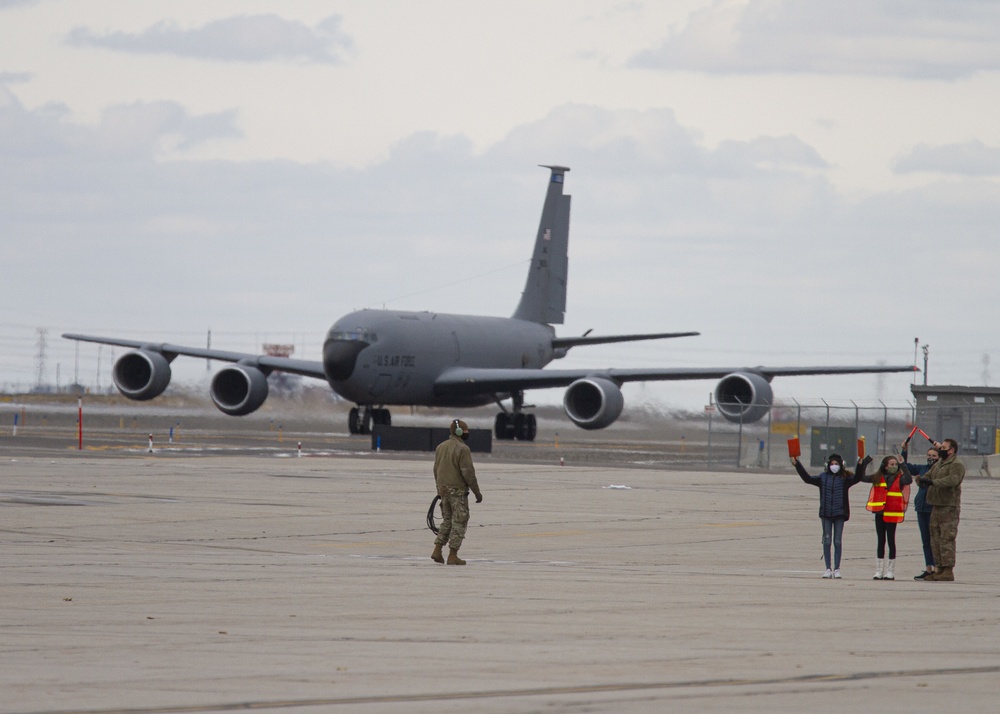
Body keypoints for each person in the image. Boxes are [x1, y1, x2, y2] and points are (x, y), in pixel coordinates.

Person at [792, 452, 870, 579]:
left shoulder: (845, 479)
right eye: (832, 464)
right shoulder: (822, 478)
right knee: (827, 541)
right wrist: (797, 465)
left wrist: (860, 464)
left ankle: (837, 569)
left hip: (839, 513)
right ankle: (828, 568)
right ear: (828, 465)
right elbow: (807, 478)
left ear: (841, 465)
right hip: (826, 514)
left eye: (836, 464)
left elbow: (857, 478)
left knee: (837, 541)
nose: (834, 466)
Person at [431, 419, 483, 566]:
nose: (467, 433)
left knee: (447, 521)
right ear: (459, 432)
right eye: (466, 431)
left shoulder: (440, 447)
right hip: (457, 492)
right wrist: (477, 492)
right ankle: (453, 555)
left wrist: (440, 490)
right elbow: (468, 473)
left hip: (443, 490)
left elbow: (436, 470)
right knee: (459, 521)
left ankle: (437, 550)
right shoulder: (463, 449)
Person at [917, 438, 965, 582]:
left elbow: (952, 480)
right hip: (935, 505)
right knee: (935, 539)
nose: (940, 449)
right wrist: (922, 480)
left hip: (948, 506)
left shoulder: (956, 464)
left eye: (943, 447)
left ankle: (948, 569)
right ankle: (939, 569)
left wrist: (933, 483)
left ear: (951, 450)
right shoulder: (938, 464)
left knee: (946, 538)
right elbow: (928, 475)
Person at [861, 454, 913, 580]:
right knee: (880, 541)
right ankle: (879, 570)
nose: (894, 467)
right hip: (880, 513)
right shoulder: (878, 477)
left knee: (891, 541)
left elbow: (909, 480)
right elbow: (861, 477)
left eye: (895, 465)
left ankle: (890, 571)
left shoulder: (900, 479)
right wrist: (863, 464)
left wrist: (903, 465)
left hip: (892, 513)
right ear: (885, 466)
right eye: (892, 464)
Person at [902, 443, 939, 579]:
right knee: (925, 540)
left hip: (932, 507)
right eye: (929, 455)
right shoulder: (922, 468)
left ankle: (936, 568)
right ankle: (928, 568)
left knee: (933, 539)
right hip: (921, 507)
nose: (930, 458)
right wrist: (904, 451)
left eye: (934, 456)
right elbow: (905, 467)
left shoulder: (940, 470)